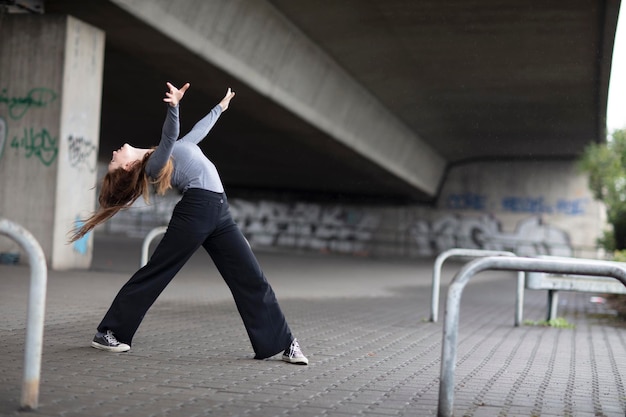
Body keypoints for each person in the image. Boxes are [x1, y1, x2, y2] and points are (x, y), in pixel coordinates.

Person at [70, 82, 308, 365]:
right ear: (127, 167)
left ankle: (283, 343)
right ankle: (110, 332)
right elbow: (170, 135)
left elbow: (197, 133)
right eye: (113, 160)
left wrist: (219, 108)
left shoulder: (166, 152)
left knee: (250, 276)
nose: (114, 152)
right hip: (197, 209)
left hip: (219, 211)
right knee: (158, 270)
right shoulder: (153, 165)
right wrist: (174, 107)